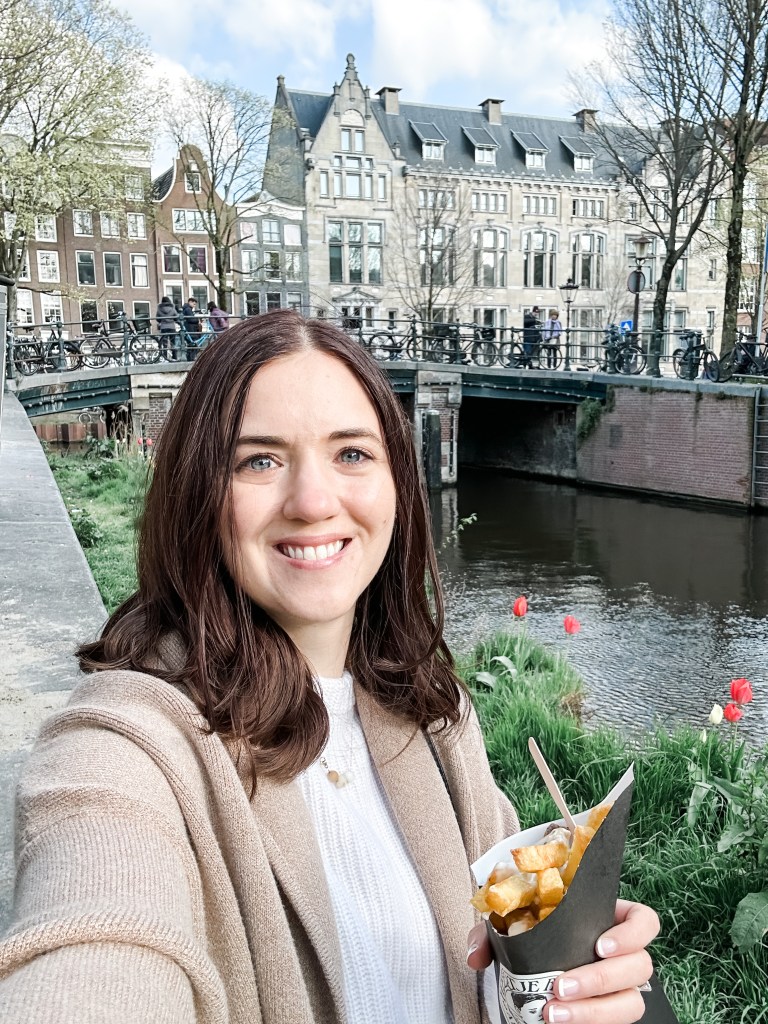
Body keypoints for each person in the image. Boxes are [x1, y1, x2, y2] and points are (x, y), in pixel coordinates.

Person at [0, 310, 658, 1023]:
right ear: (197, 495)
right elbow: (95, 941)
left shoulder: (436, 715)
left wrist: (570, 980)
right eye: (259, 461)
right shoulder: (123, 752)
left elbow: (497, 962)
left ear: (397, 484)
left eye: (351, 454)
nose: (314, 502)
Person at [156, 295, 180, 360]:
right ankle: (174, 357)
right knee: (173, 342)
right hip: (172, 327)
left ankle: (165, 357)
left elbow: (158, 319)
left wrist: (162, 320)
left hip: (163, 327)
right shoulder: (172, 308)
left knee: (164, 343)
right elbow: (176, 317)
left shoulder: (159, 309)